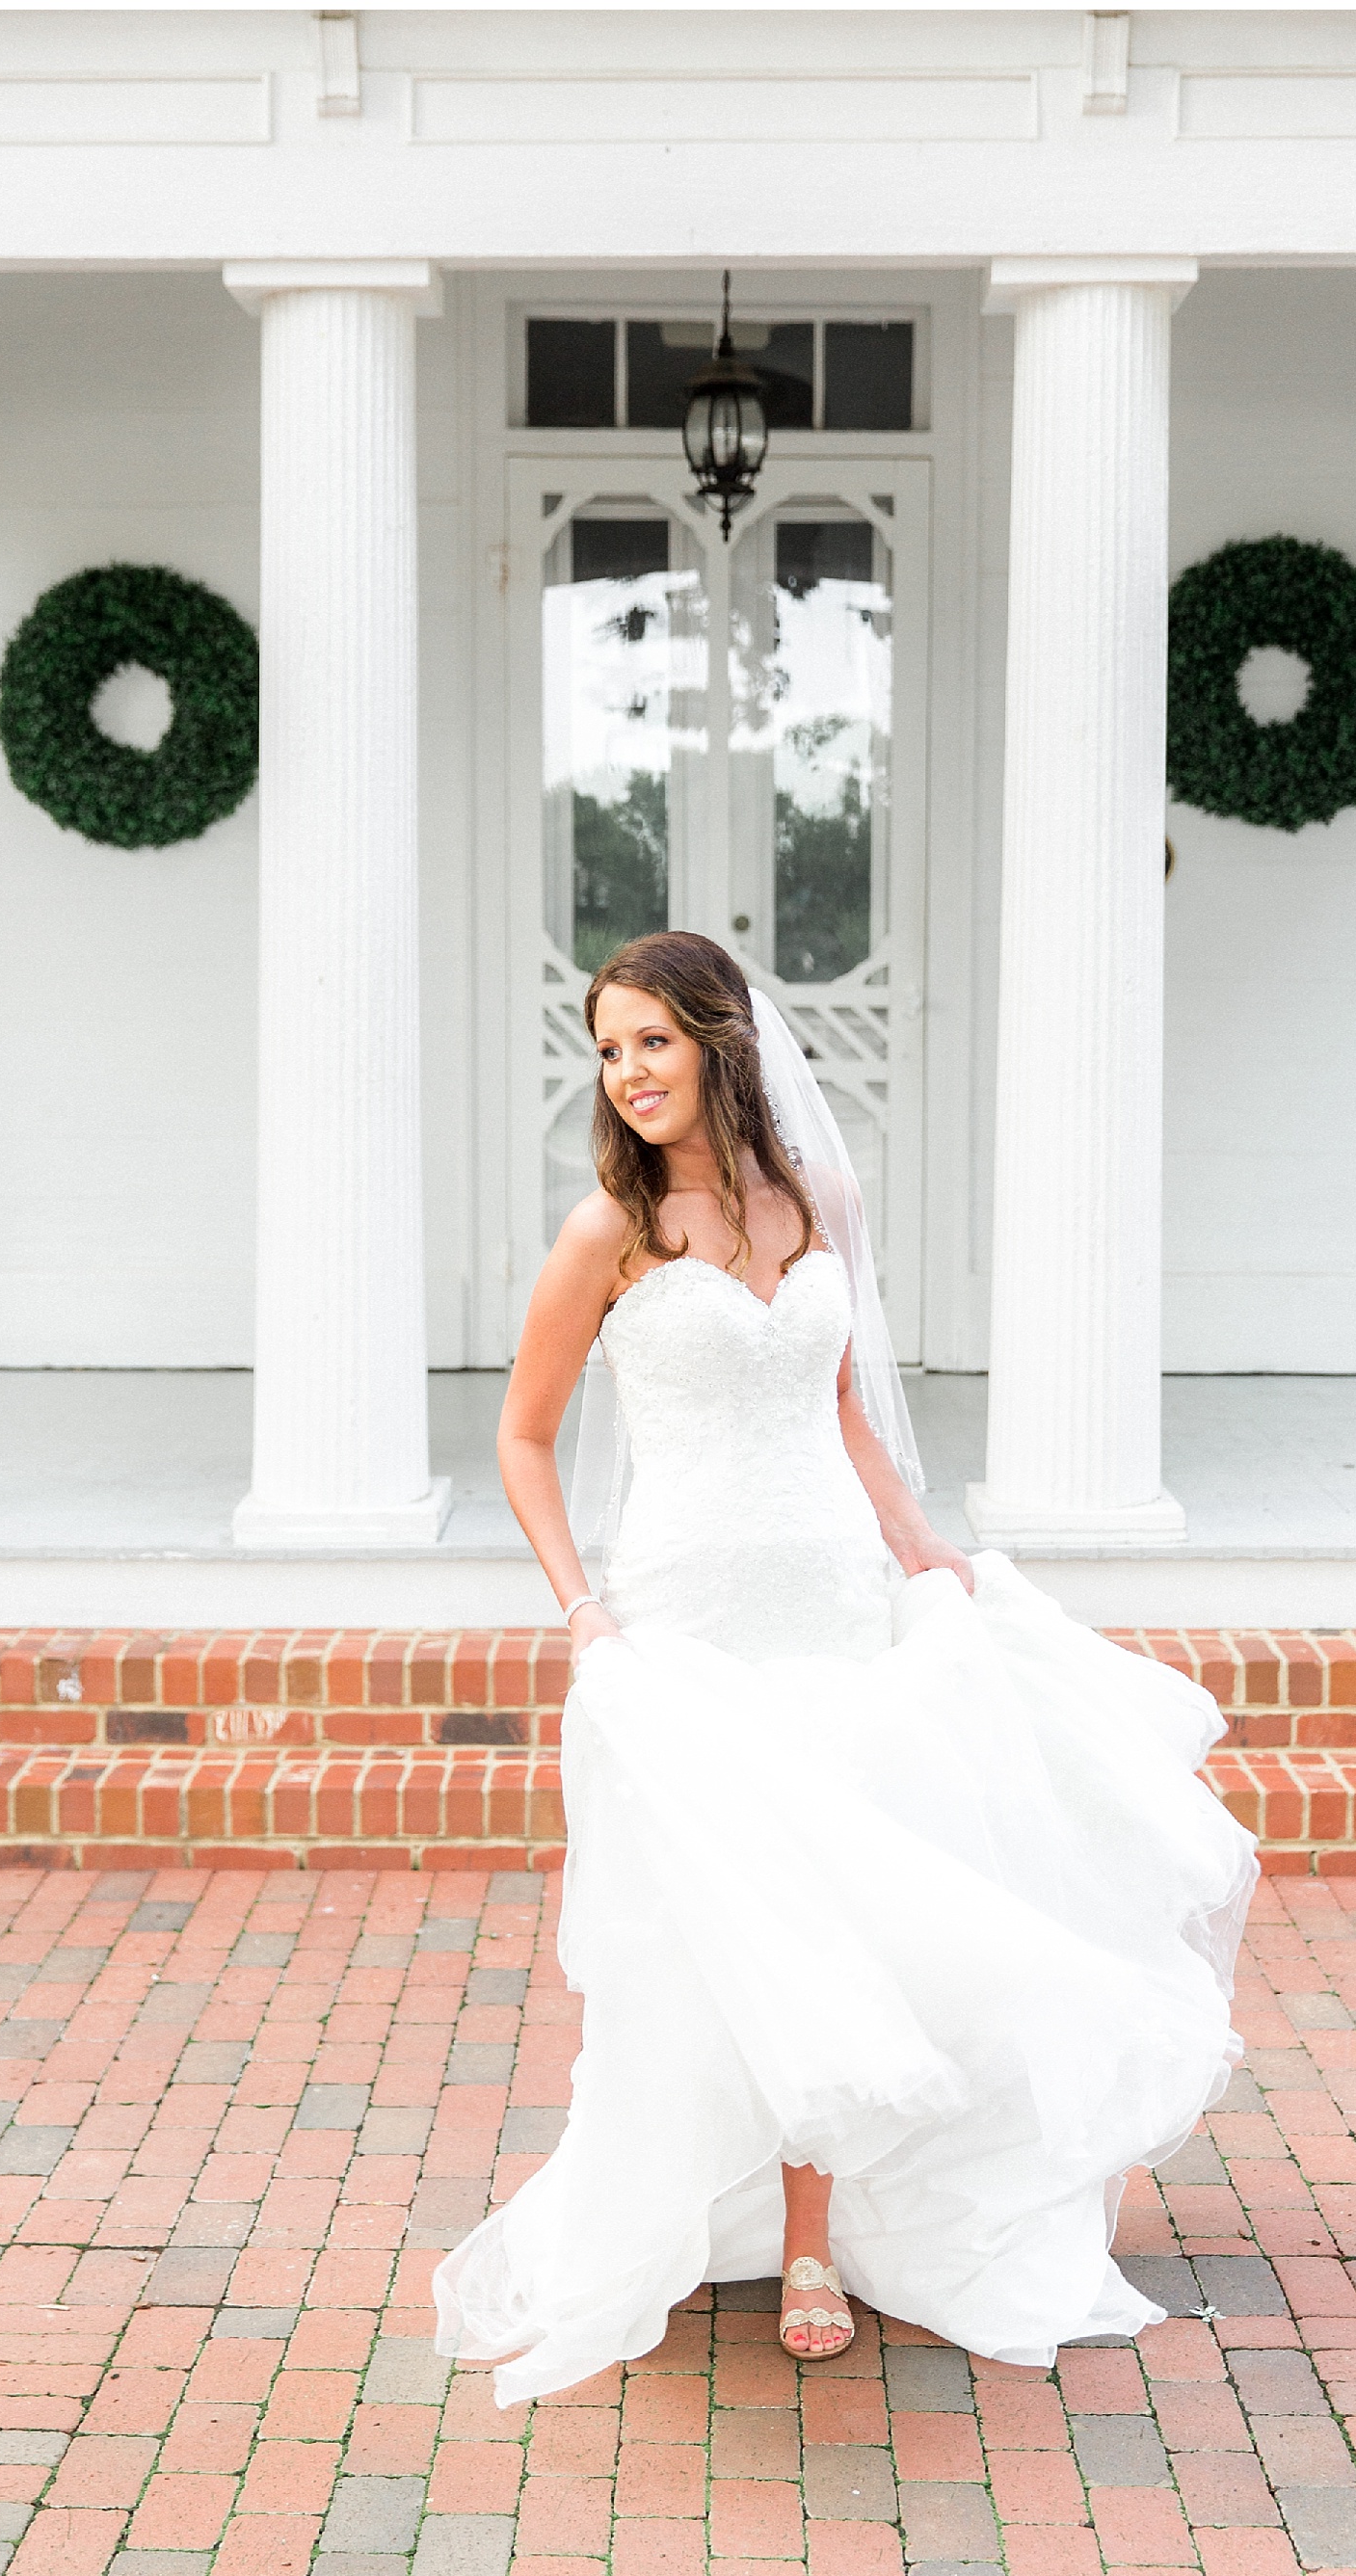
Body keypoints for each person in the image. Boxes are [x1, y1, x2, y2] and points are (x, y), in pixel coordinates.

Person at [434, 930, 1257, 2406]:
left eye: (652, 1040)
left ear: (721, 1041)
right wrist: (580, 1609)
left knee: (841, 1913)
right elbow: (522, 1438)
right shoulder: (607, 1231)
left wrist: (924, 1552)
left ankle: (815, 2241)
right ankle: (693, 2198)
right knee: (727, 1926)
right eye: (607, 1048)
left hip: (830, 1600)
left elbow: (845, 1415)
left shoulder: (820, 1203)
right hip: (684, 1615)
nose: (627, 1073)